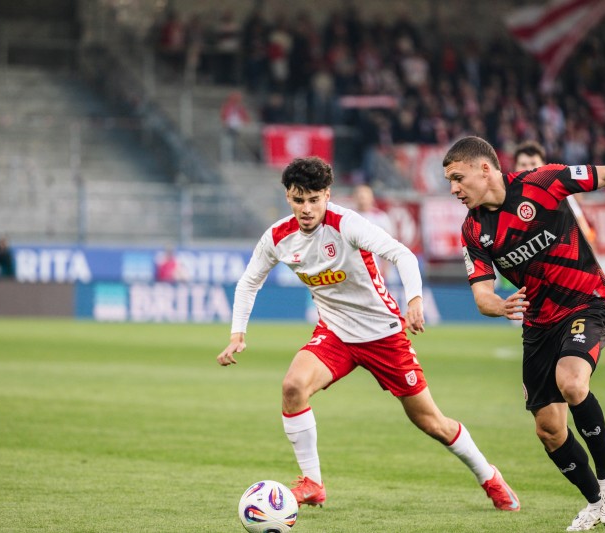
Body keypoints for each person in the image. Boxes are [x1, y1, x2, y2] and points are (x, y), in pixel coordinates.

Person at [217, 156, 519, 511]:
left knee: (430, 422)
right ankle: (313, 482)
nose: (307, 208)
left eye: (314, 199)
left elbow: (402, 254)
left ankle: (490, 477)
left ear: (327, 195)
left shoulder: (347, 224)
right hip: (335, 333)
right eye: (299, 200)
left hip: (383, 334)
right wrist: (238, 333)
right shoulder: (278, 237)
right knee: (292, 387)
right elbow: (249, 282)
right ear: (288, 198)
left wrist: (415, 300)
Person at [442, 136, 605, 531]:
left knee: (571, 381)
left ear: (485, 168)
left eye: (458, 178)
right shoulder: (473, 230)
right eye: (450, 182)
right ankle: (598, 501)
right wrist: (498, 306)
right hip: (538, 326)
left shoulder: (542, 182)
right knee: (549, 430)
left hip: (587, 302)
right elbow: (482, 294)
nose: (453, 189)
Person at [513, 141, 596, 246]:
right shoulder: (508, 196)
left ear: (543, 165)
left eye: (533, 164)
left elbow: (582, 227)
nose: (529, 169)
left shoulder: (559, 192)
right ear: (515, 167)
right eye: (523, 164)